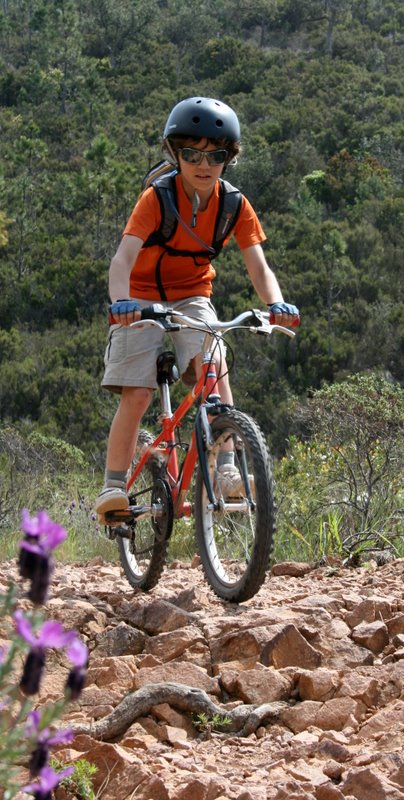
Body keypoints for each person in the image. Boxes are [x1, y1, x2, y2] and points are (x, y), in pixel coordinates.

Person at [95, 96, 299, 521]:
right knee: (137, 392)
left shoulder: (234, 205)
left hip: (192, 293)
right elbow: (121, 260)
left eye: (216, 155)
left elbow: (259, 267)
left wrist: (275, 304)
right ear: (175, 155)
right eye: (191, 154)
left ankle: (227, 467)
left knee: (215, 363)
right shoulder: (157, 199)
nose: (203, 165)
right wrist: (122, 305)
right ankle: (113, 488)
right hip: (140, 294)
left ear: (230, 159)